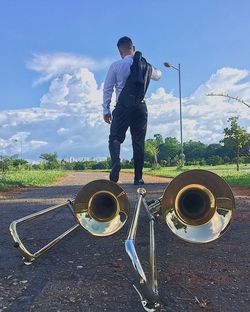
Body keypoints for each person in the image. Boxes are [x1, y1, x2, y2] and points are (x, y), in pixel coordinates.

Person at [102, 36, 161, 185]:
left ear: (120, 52)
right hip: (141, 107)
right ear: (132, 48)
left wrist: (106, 109)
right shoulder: (145, 65)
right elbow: (158, 76)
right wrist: (145, 64)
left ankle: (116, 162)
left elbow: (108, 88)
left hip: (122, 107)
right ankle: (138, 178)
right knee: (138, 142)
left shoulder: (116, 66)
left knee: (115, 137)